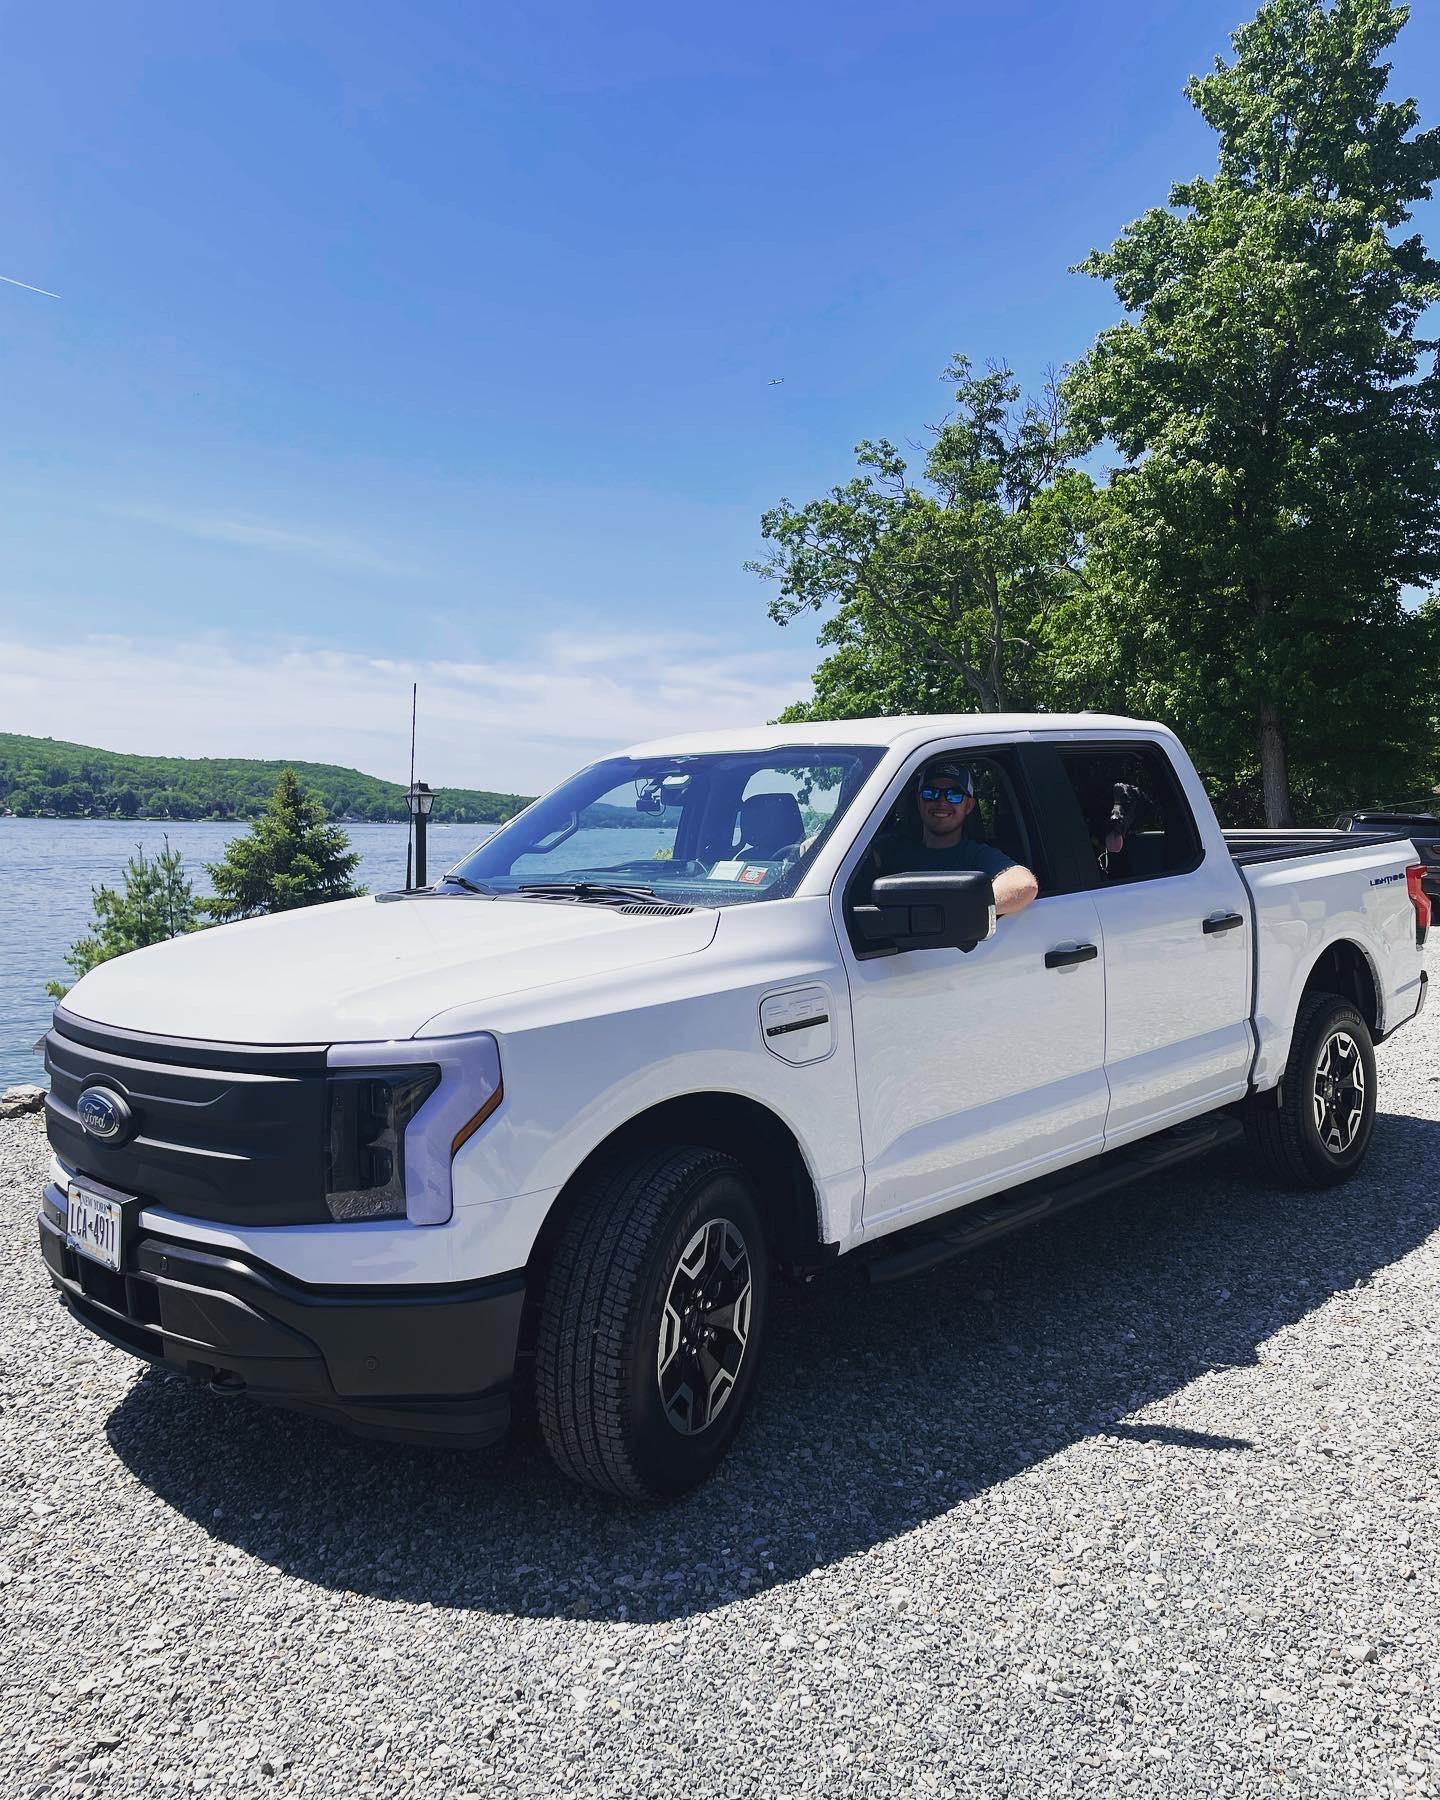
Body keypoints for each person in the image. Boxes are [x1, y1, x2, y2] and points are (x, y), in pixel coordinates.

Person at [871, 759, 1039, 917]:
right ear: (918, 800)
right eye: (931, 793)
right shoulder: (891, 849)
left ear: (969, 805)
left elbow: (1024, 884)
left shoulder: (975, 855)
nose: (942, 802)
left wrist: (954, 911)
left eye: (954, 795)